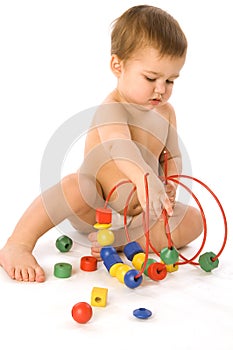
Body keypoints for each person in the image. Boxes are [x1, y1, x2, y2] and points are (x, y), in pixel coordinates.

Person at [0, 5, 203, 282]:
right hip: (95, 208)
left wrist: (168, 182)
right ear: (117, 66)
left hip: (138, 214)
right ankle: (18, 244)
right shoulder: (113, 108)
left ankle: (122, 241)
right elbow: (120, 147)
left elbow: (172, 156)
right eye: (151, 77)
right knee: (74, 185)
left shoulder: (167, 113)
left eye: (170, 80)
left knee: (193, 220)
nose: (161, 88)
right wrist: (145, 178)